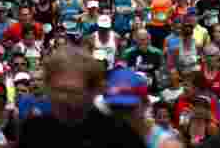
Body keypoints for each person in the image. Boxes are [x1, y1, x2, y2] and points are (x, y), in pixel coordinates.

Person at [18, 47, 147, 148]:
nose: (63, 99)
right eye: (57, 90)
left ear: (95, 91)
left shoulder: (120, 136)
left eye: (72, 92)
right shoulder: (34, 130)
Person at [101, 68, 183, 148]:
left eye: (129, 107)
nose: (123, 114)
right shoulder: (106, 137)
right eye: (116, 107)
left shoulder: (166, 144)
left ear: (146, 104)